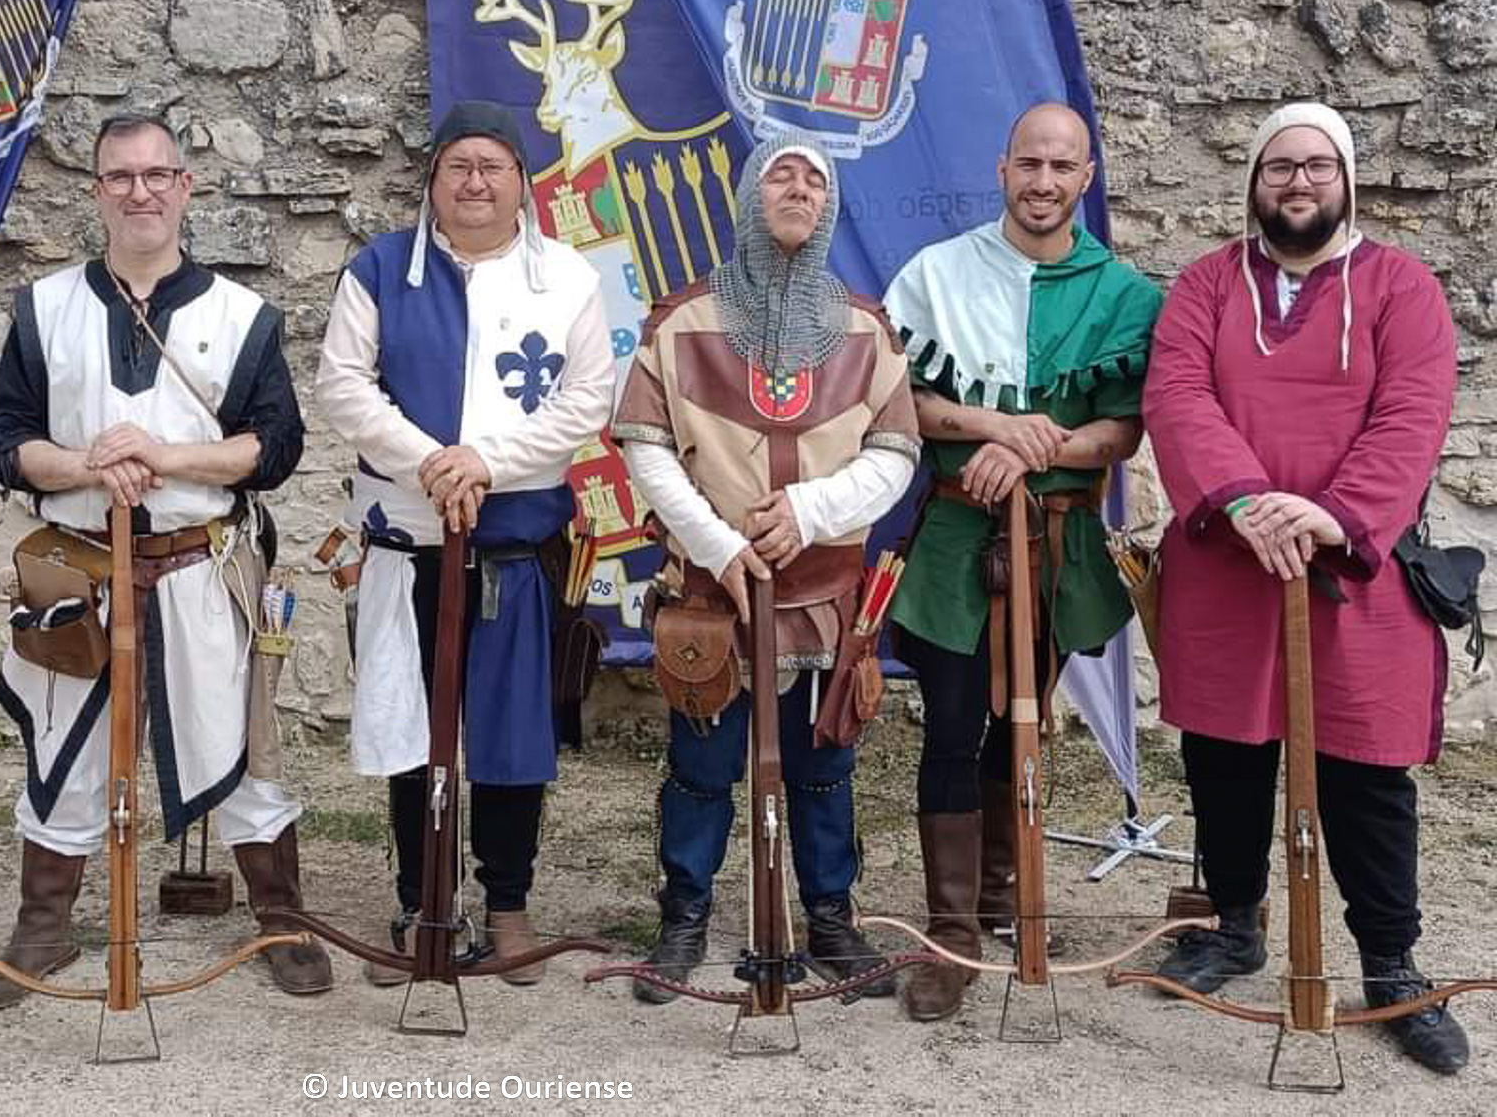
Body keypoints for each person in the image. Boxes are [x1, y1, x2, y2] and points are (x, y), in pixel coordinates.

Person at [0, 113, 331, 1001]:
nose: (141, 192)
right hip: (81, 566)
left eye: (157, 175)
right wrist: (88, 462)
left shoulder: (241, 315)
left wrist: (163, 458)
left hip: (196, 563)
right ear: (97, 190)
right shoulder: (45, 308)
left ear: (185, 187)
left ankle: (280, 917)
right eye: (121, 177)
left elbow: (275, 447)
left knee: (239, 746)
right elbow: (7, 440)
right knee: (68, 747)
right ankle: (44, 926)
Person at [1141, 101, 1466, 1074]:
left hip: (1352, 566)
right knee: (1224, 757)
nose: (1296, 183)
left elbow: (1412, 411)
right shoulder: (1203, 284)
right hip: (1227, 563)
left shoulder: (1399, 287)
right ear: (1251, 181)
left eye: (1315, 167)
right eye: (1278, 167)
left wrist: (1327, 515)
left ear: (1345, 179)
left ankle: (1390, 966)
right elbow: (1175, 395)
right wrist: (1242, 502)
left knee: (1366, 771)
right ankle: (1234, 926)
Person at [610, 130, 919, 1002]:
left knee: (824, 765)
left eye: (813, 180)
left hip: (821, 592)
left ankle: (829, 918)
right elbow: (647, 449)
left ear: (829, 206)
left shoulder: (864, 330)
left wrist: (809, 514)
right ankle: (684, 918)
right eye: (780, 174)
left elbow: (894, 454)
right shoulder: (682, 323)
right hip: (713, 591)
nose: (797, 188)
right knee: (703, 768)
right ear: (750, 197)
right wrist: (722, 547)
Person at [316, 100, 613, 985]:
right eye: (458, 166)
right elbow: (343, 387)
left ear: (522, 182)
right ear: (433, 180)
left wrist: (485, 461)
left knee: (513, 741)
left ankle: (509, 905)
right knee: (416, 736)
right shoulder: (379, 269)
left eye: (492, 166)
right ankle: (421, 902)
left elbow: (586, 399)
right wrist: (431, 463)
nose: (475, 181)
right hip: (408, 542)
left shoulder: (566, 280)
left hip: (515, 550)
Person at [881, 102, 1163, 1021]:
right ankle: (952, 934)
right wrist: (995, 427)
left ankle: (1002, 900)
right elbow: (904, 403)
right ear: (1002, 170)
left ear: (1088, 177)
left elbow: (1123, 429)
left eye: (1063, 167)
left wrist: (1035, 450)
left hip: (1057, 540)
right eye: (1029, 164)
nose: (1044, 182)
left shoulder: (1122, 291)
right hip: (960, 536)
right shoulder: (940, 274)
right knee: (954, 721)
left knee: (1023, 719)